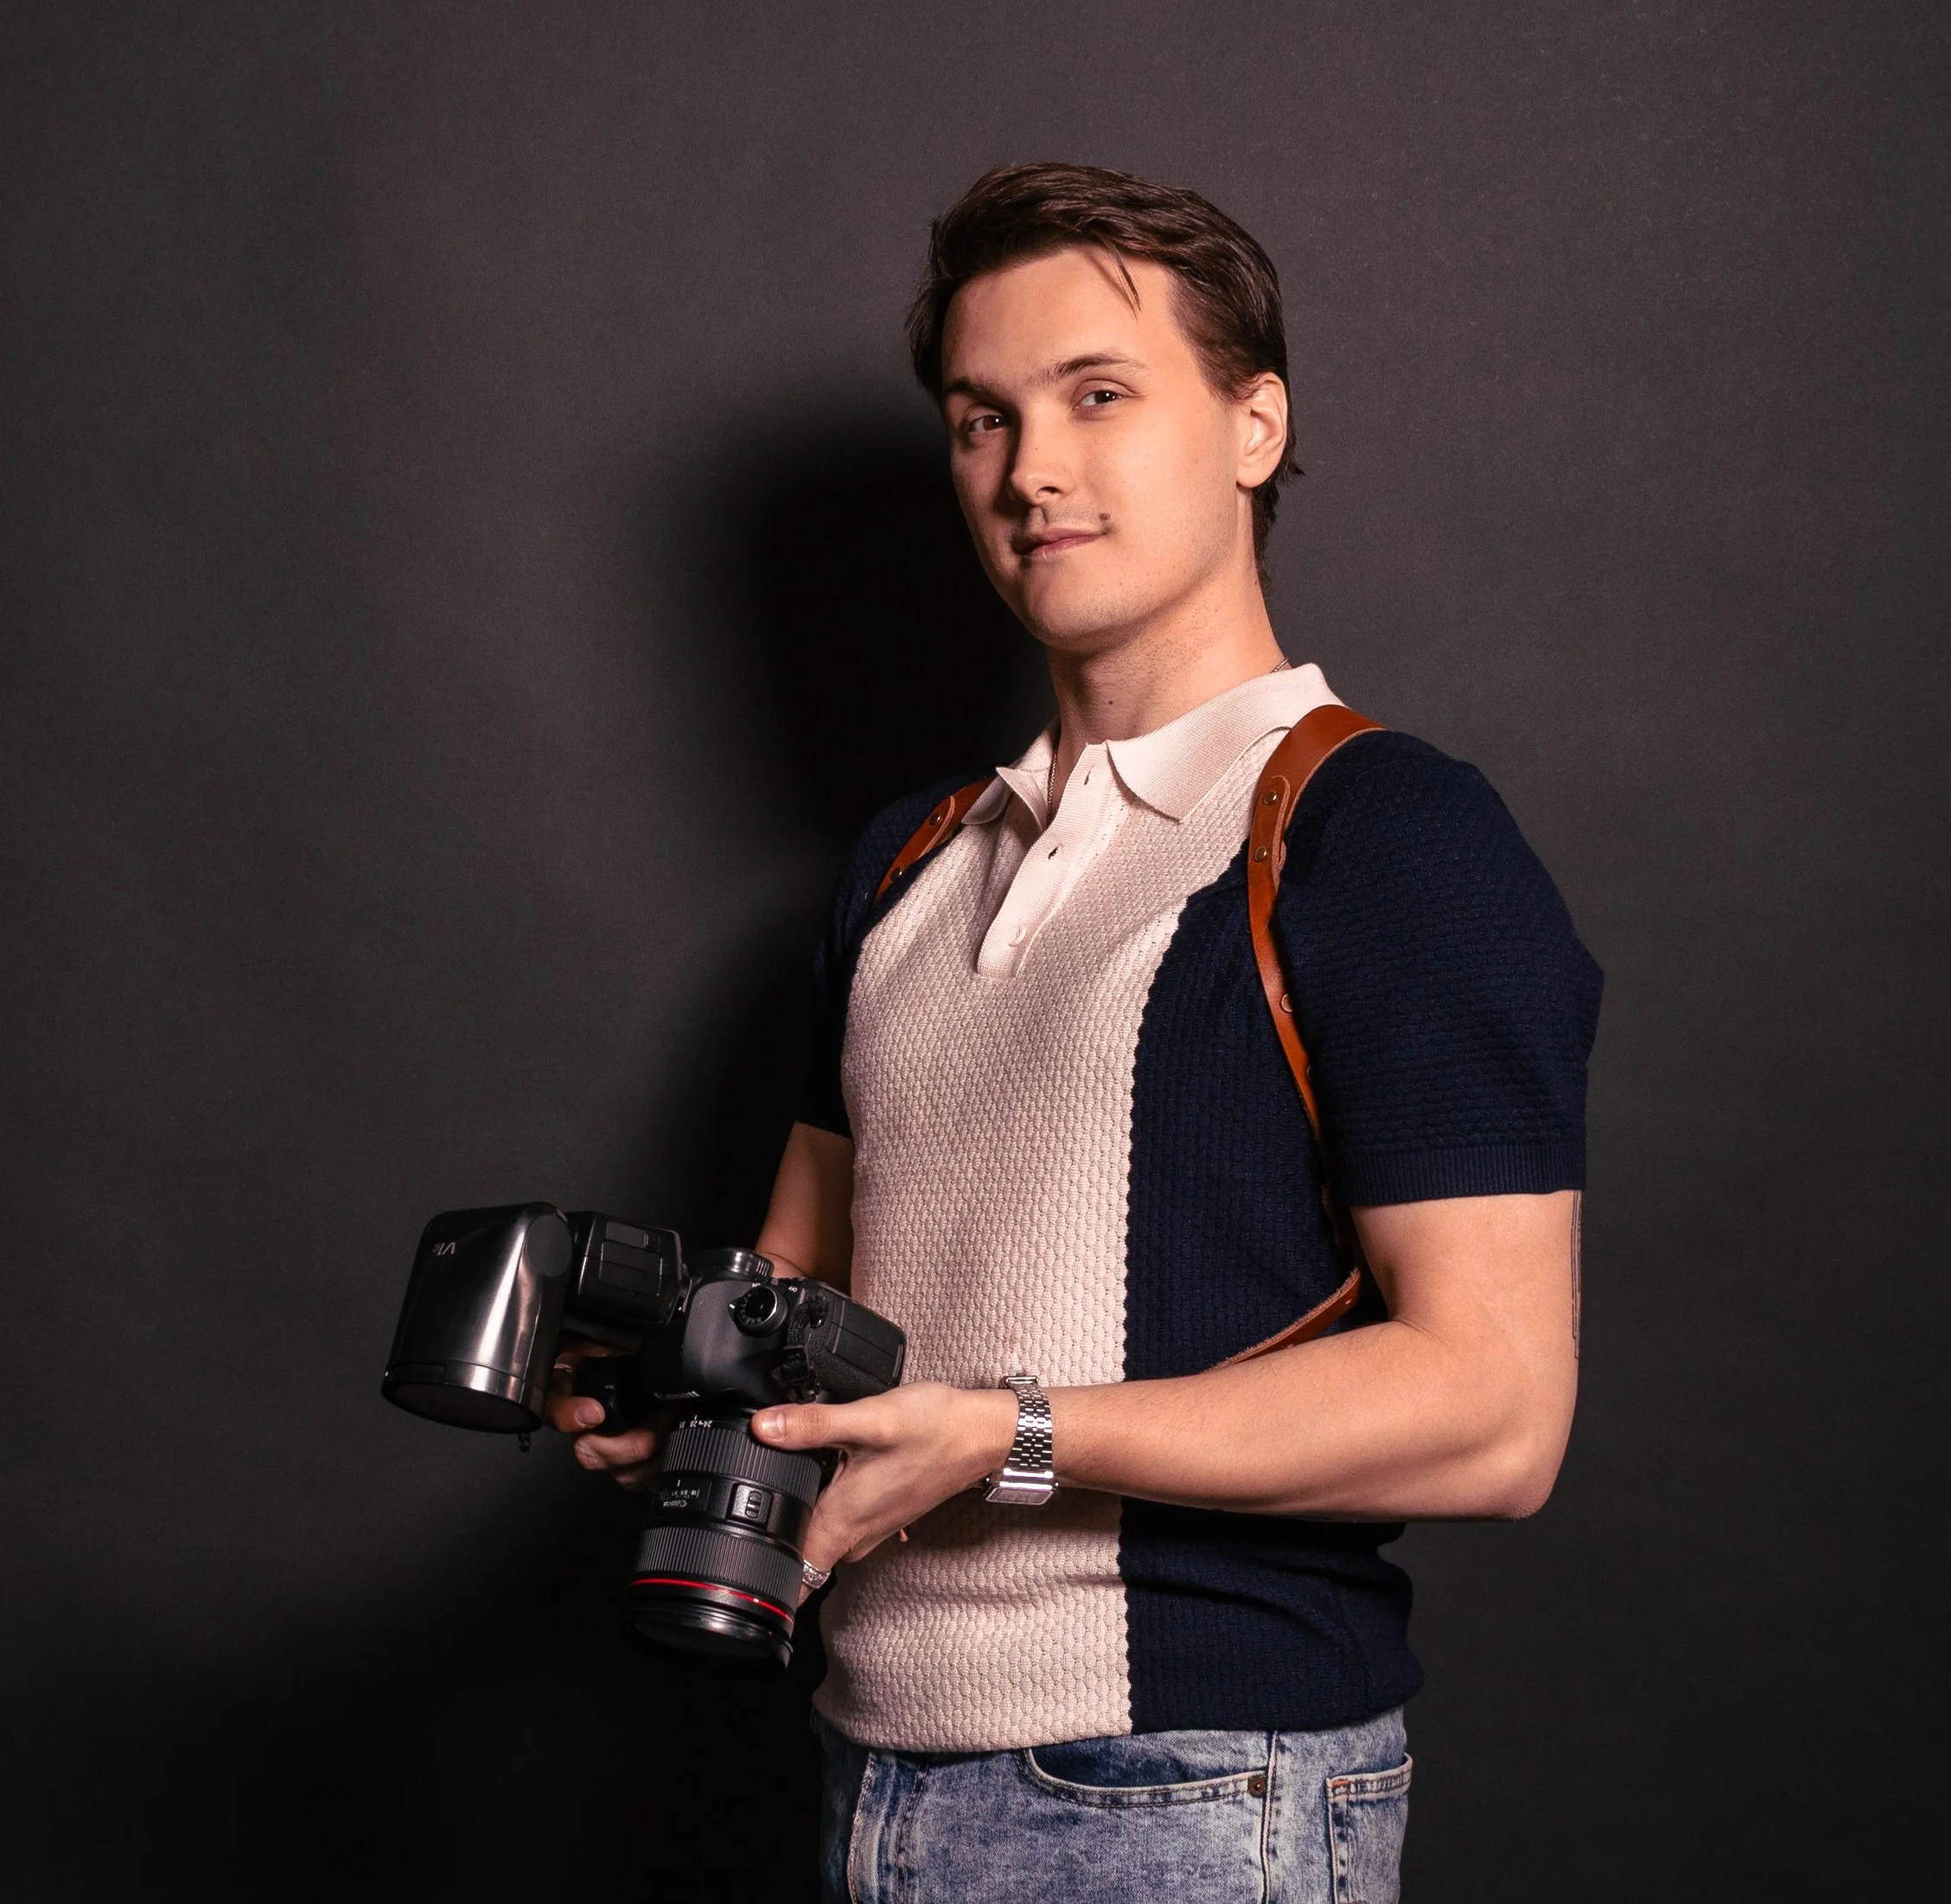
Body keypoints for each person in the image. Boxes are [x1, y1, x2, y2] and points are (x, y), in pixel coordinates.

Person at [552, 162, 1602, 1904]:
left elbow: (1495, 1411)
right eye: (981, 418)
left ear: (1251, 425)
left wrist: (1005, 1432)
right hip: (866, 1763)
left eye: (1097, 397)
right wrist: (674, 1388)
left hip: (1180, 1794)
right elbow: (807, 1316)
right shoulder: (901, 867)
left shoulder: (1380, 836)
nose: (1029, 469)